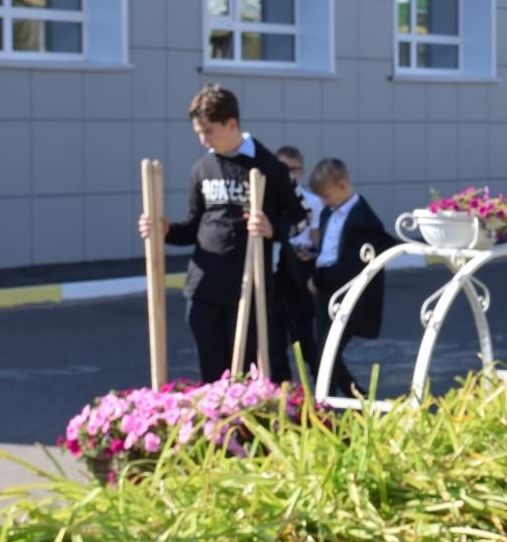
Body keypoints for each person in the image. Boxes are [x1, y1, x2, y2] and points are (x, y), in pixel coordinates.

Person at [140, 85, 306, 384]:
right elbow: (194, 226)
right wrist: (164, 230)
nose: (203, 140)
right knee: (211, 374)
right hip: (204, 286)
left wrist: (272, 229)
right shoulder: (202, 168)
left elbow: (299, 219)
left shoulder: (269, 167)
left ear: (232, 124)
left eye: (209, 131)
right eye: (198, 133)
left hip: (248, 286)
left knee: (245, 374)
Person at [306, 158, 395, 397]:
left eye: (326, 195)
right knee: (325, 353)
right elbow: (327, 250)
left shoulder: (364, 221)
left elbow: (353, 265)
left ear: (343, 186)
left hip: (346, 294)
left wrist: (320, 279)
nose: (324, 202)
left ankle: (330, 401)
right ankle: (350, 401)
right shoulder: (328, 213)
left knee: (327, 352)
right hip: (325, 290)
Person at [273, 146, 322, 378]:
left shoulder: (312, 201)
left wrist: (312, 253)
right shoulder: (268, 200)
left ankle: (320, 385)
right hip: (273, 272)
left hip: (299, 272)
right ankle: (281, 387)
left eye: (293, 169)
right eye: (283, 169)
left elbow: (316, 238)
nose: (288, 174)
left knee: (303, 335)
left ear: (301, 172)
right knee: (274, 335)